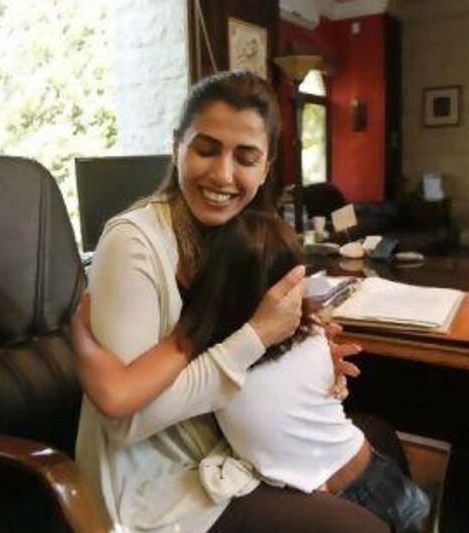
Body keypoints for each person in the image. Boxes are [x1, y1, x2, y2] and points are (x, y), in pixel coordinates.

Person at [74, 69, 402, 533]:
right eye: (206, 149)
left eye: (245, 158)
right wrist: (257, 336)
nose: (222, 174)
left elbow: (249, 341)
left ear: (266, 167)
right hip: (163, 487)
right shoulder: (135, 243)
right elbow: (126, 425)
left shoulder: (237, 232)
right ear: (177, 145)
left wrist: (302, 351)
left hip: (229, 451)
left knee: (380, 438)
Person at [76, 210, 430, 532]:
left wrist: (78, 333)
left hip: (340, 482)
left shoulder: (227, 365)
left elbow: (122, 388)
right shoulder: (311, 333)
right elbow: (123, 402)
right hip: (372, 470)